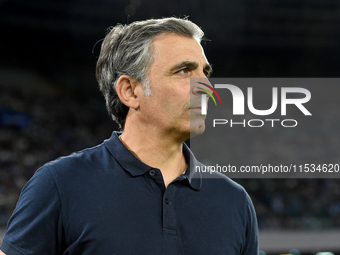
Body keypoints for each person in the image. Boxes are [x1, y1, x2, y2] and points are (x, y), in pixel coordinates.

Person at [0, 17, 258, 254]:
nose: (207, 88)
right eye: (184, 71)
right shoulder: (59, 184)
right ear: (130, 91)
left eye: (205, 73)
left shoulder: (234, 200)